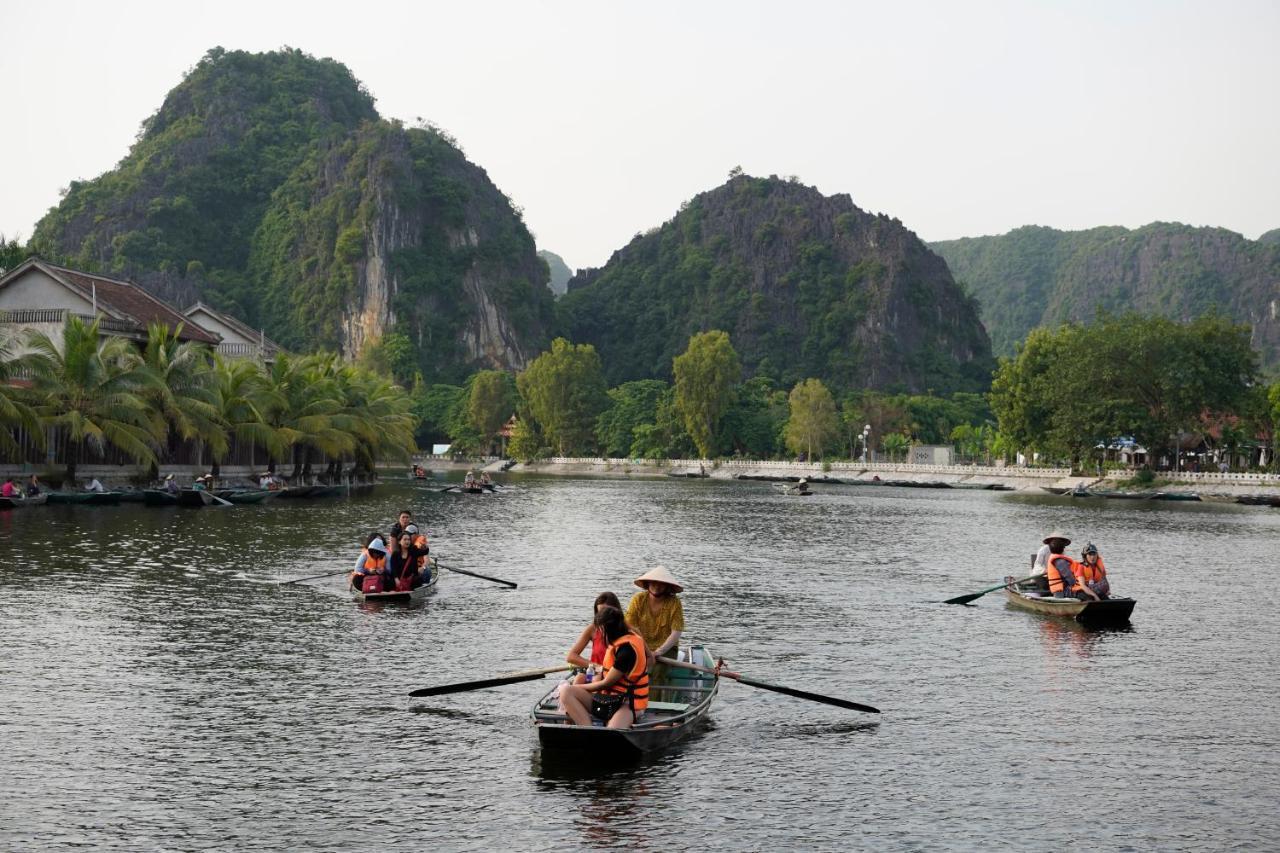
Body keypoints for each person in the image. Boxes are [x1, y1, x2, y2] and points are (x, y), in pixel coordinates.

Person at [559, 605, 650, 730]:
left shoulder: (626, 651)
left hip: (628, 703)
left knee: (612, 731)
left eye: (599, 630)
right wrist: (572, 688)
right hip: (607, 699)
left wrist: (577, 687)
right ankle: (588, 730)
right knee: (566, 692)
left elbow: (606, 683)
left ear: (605, 629)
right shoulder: (621, 641)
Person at [625, 566, 685, 660]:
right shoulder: (638, 599)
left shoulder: (674, 603)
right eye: (654, 582)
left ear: (667, 586)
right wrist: (645, 650)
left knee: (655, 670)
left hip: (666, 649)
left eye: (661, 584)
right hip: (641, 645)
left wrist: (658, 652)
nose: (657, 586)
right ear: (648, 583)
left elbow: (676, 632)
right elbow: (631, 627)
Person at [565, 592, 625, 684]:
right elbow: (571, 657)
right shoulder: (592, 629)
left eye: (605, 612)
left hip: (615, 674)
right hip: (595, 671)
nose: (602, 616)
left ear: (616, 612)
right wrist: (596, 666)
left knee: (594, 680)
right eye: (599, 612)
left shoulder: (625, 629)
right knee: (579, 678)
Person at [1041, 531, 1096, 601]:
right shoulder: (1060, 561)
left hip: (1064, 589)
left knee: (1089, 590)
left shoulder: (1057, 558)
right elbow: (1072, 581)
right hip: (1062, 592)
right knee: (1087, 595)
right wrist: (1083, 584)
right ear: (1063, 548)